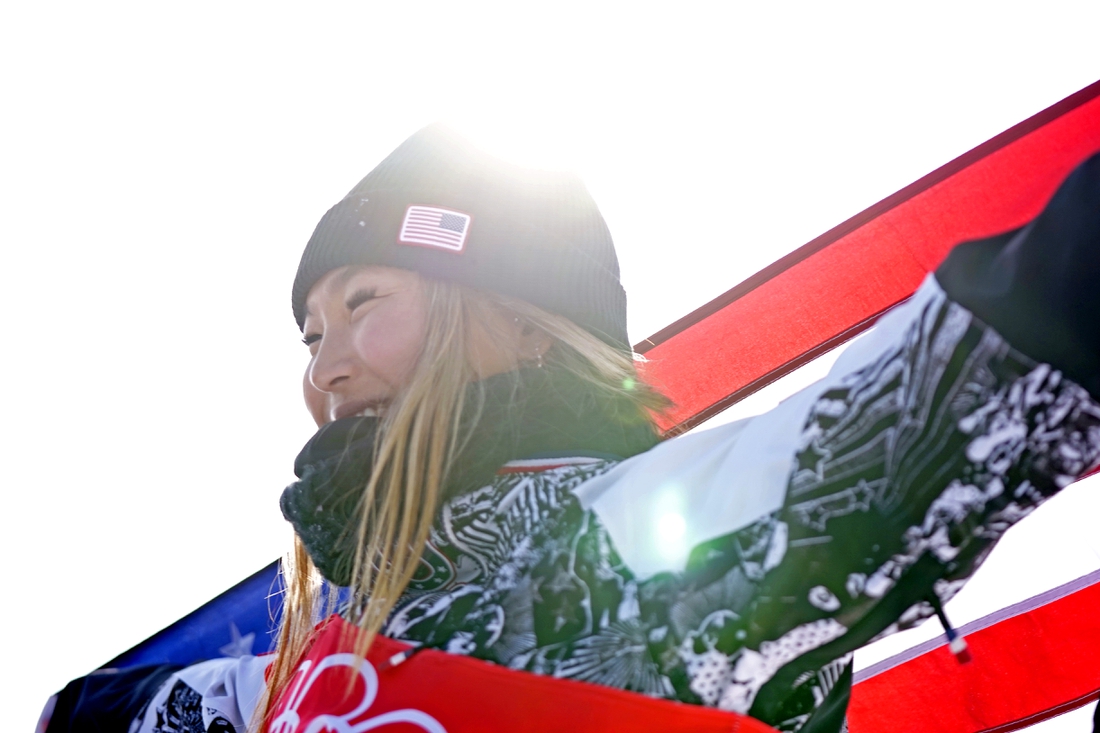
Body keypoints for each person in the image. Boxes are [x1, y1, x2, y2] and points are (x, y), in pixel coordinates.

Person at [44, 126, 1100, 733]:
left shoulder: (647, 545)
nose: (324, 365)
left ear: (518, 322)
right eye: (310, 331)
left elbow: (953, 387)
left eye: (365, 300)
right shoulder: (278, 673)